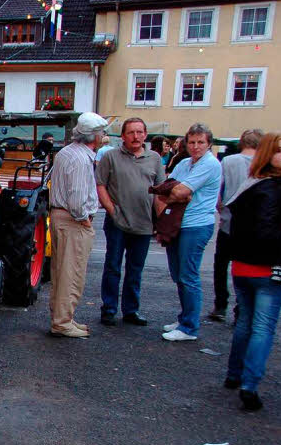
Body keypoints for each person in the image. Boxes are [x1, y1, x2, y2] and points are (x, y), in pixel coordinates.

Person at [223, 132, 281, 411]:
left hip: (243, 265)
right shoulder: (275, 188)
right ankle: (249, 385)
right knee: (261, 327)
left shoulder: (252, 184)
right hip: (267, 266)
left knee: (246, 322)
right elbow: (267, 232)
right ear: (268, 155)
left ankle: (235, 375)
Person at [96, 117, 165, 326]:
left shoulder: (154, 158)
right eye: (131, 132)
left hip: (144, 223)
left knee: (135, 269)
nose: (136, 136)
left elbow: (160, 192)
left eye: (139, 132)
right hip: (118, 222)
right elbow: (100, 185)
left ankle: (131, 310)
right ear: (123, 136)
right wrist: (112, 210)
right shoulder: (111, 156)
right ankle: (109, 308)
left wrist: (161, 223)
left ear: (145, 134)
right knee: (113, 266)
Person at [45, 113, 109, 338]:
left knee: (62, 272)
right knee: (71, 273)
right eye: (102, 132)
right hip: (73, 220)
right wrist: (83, 217)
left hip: (63, 217)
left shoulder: (66, 153)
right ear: (95, 136)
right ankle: (63, 321)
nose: (103, 136)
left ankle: (62, 317)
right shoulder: (82, 158)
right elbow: (77, 197)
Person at [160, 123, 222, 341]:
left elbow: (179, 190)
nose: (196, 147)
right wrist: (175, 193)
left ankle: (189, 326)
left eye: (201, 142)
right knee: (179, 274)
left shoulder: (211, 164)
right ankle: (185, 317)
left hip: (196, 225)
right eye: (192, 142)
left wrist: (178, 193)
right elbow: (166, 188)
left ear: (209, 144)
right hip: (178, 223)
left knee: (188, 275)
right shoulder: (185, 163)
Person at [210, 128, 262, 321]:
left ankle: (220, 304)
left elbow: (219, 191)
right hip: (252, 226)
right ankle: (242, 307)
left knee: (221, 264)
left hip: (228, 221)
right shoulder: (263, 165)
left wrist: (222, 208)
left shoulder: (228, 161)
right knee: (245, 266)